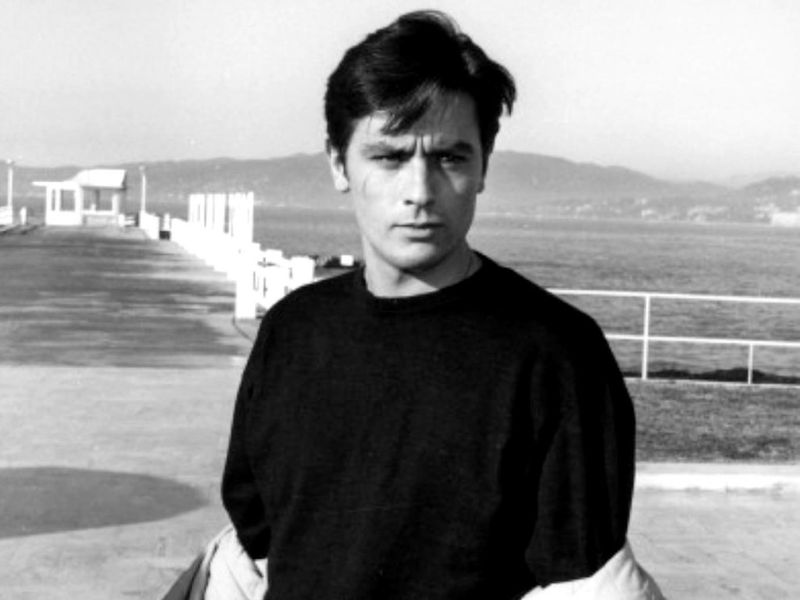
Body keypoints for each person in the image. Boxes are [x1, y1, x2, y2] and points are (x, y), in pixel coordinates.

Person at [220, 10, 663, 600]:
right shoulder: (292, 331)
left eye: (450, 157)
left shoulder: (557, 355)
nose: (420, 192)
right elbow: (258, 536)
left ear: (484, 166)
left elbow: (584, 580)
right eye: (390, 156)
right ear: (338, 163)